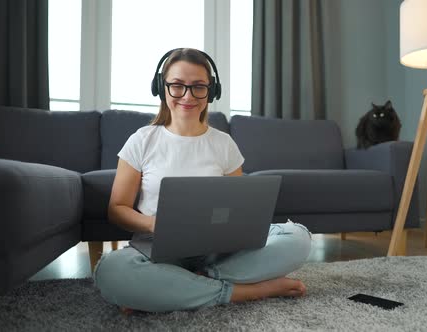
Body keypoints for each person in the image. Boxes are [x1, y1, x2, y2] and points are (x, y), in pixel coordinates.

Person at [93, 48, 312, 313]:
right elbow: (117, 209)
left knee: (298, 238)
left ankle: (183, 287)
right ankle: (246, 291)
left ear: (211, 90)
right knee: (111, 272)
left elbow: (239, 210)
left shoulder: (224, 144)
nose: (187, 96)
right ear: (162, 88)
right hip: (157, 250)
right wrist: (154, 223)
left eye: (198, 87)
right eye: (177, 86)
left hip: (216, 252)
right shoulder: (141, 140)